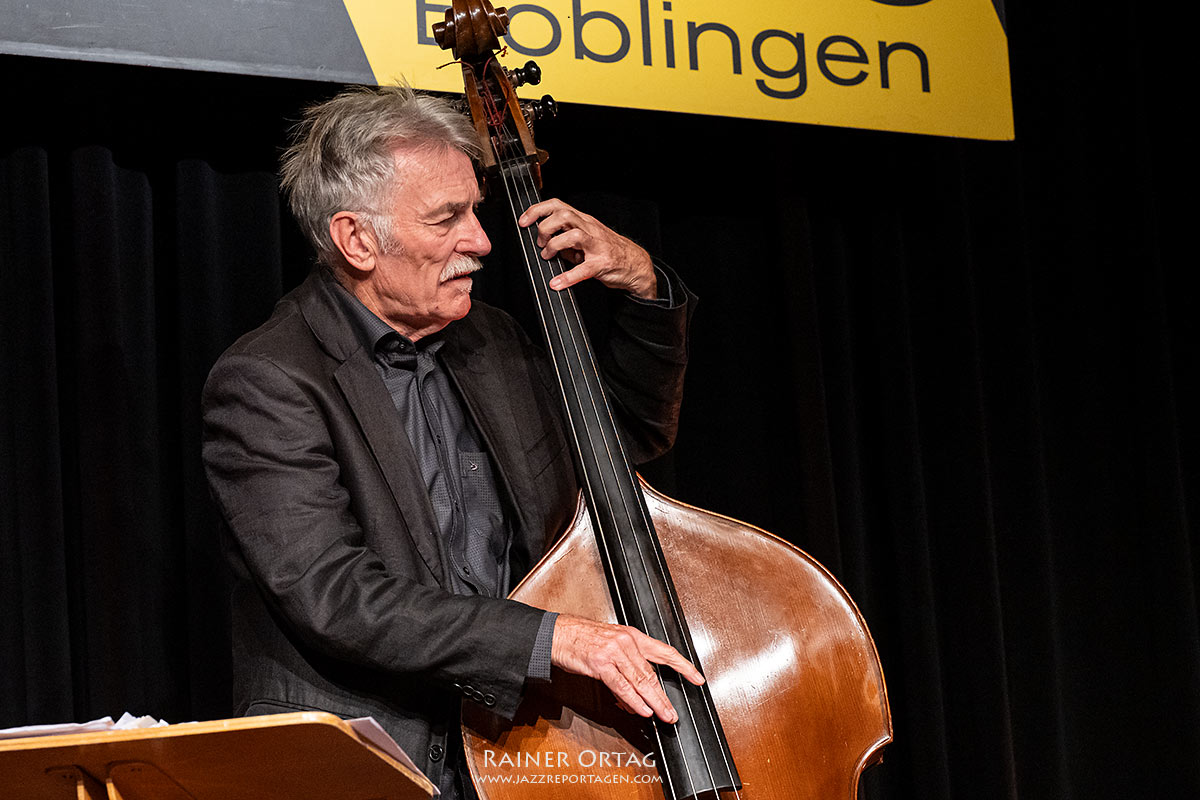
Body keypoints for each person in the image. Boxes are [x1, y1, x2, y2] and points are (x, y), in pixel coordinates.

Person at [200, 85, 701, 798]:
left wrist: (645, 289)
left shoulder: (492, 341)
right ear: (356, 239)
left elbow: (628, 440)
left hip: (521, 747)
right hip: (365, 757)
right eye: (448, 219)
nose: (482, 240)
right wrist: (552, 639)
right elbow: (332, 594)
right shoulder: (269, 379)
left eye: (475, 209)